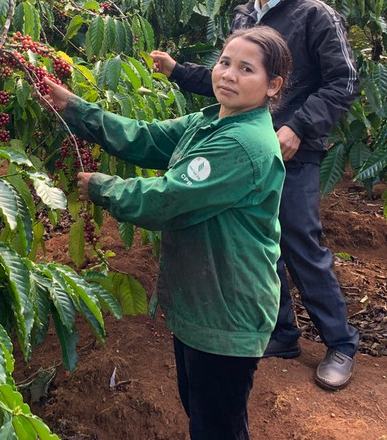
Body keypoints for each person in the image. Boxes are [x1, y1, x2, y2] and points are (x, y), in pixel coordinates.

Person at [40, 26, 291, 440]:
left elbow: (169, 200)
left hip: (227, 311)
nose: (228, 75)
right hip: (203, 304)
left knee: (217, 427)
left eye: (246, 69)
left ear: (272, 85)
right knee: (204, 414)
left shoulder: (243, 144)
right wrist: (75, 108)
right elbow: (147, 138)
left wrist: (105, 188)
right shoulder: (211, 120)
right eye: (225, 62)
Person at [151, 0, 361, 391]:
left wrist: (297, 127)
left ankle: (341, 342)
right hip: (243, 148)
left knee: (300, 240)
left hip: (292, 151)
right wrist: (177, 71)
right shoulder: (245, 16)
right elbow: (229, 76)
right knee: (260, 240)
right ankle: (282, 333)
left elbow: (344, 81)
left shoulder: (315, 15)